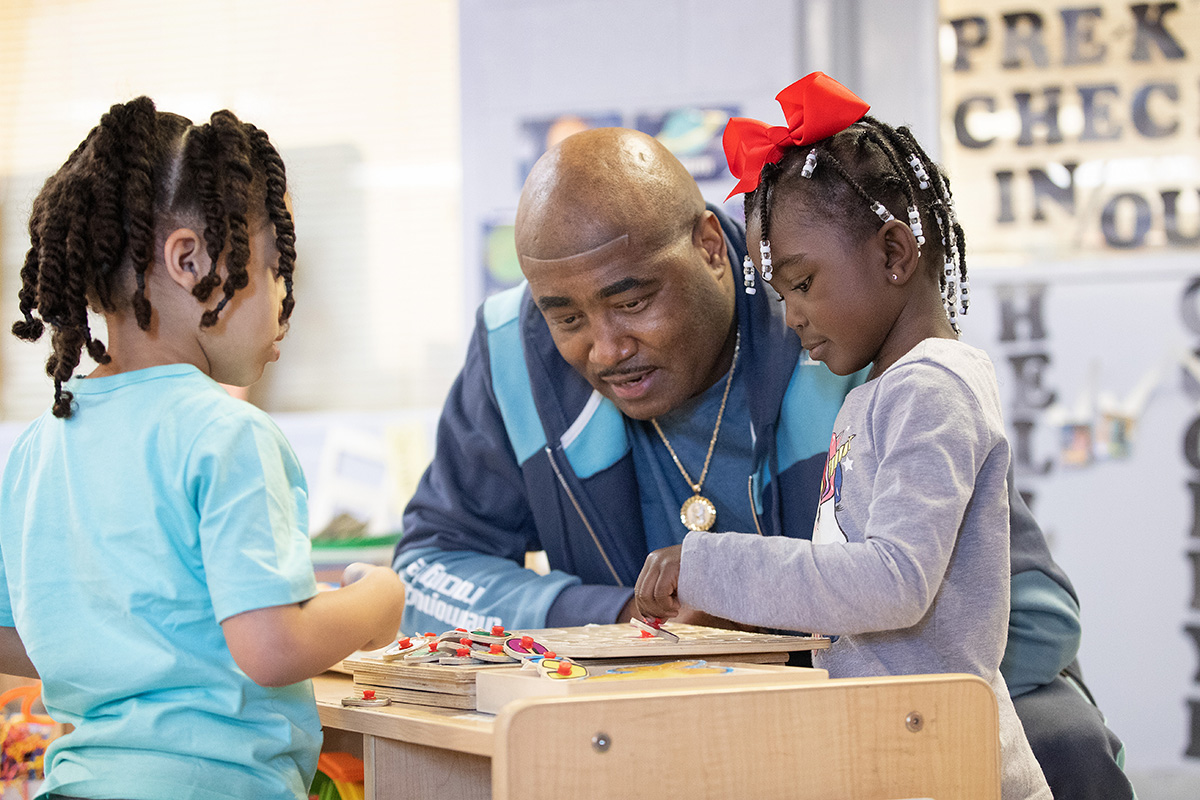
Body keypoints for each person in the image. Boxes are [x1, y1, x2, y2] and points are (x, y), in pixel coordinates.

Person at [393, 119, 1131, 799]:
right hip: (643, 723)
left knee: (1063, 741)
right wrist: (615, 615)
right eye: (566, 317)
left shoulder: (843, 327)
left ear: (713, 248)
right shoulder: (510, 356)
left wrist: (770, 656)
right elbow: (427, 568)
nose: (606, 347)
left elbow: (1033, 620)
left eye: (634, 300)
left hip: (868, 710)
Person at [635, 71, 1048, 797]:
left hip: (946, 760)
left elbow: (893, 585)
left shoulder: (933, 389)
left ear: (894, 254)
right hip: (897, 749)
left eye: (802, 283)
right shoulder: (872, 396)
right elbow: (854, 612)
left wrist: (715, 565)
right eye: (779, 292)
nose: (790, 316)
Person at [0, 97, 406, 800]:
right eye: (277, 267)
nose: (284, 298)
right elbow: (272, 648)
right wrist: (379, 601)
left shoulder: (40, 447)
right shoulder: (227, 434)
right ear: (189, 258)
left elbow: (20, 639)